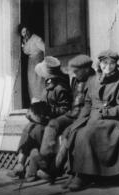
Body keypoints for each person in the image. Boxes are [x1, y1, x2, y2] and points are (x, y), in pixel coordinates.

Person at [66, 50, 119, 191]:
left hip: (110, 120)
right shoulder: (93, 80)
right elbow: (88, 102)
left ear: (116, 65)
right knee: (75, 131)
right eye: (105, 63)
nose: (108, 66)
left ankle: (83, 176)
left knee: (85, 134)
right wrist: (80, 120)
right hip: (93, 116)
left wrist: (105, 112)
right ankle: (73, 172)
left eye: (112, 63)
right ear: (100, 64)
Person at [28, 54, 96, 182]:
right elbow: (72, 102)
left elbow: (92, 105)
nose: (75, 73)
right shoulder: (76, 80)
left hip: (84, 116)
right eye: (75, 70)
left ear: (86, 69)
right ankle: (44, 160)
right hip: (72, 113)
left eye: (78, 70)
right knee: (53, 124)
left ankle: (52, 170)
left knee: (67, 134)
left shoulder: (94, 81)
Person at [7, 56, 71, 181]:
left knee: (36, 130)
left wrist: (46, 111)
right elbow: (46, 101)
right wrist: (38, 105)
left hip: (55, 121)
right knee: (28, 127)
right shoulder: (48, 84)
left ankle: (36, 168)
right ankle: (21, 163)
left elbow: (65, 109)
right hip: (46, 118)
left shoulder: (61, 88)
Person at [19, 24, 45, 102]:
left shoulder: (36, 39)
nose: (26, 33)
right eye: (23, 32)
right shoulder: (24, 42)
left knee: (39, 83)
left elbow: (45, 49)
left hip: (38, 62)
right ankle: (34, 103)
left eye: (27, 31)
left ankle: (41, 103)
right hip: (31, 63)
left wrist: (44, 62)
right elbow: (25, 51)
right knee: (32, 83)